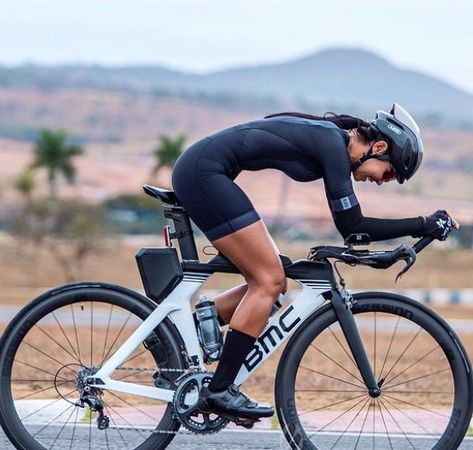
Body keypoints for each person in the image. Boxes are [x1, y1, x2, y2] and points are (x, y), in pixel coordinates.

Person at [171, 103, 459, 422]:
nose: (383, 181)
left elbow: (271, 126)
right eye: (390, 172)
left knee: (274, 278)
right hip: (203, 173)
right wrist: (422, 223)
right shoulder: (332, 144)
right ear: (378, 147)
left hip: (205, 170)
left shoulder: (330, 140)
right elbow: (353, 226)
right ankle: (220, 391)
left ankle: (199, 324)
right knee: (269, 281)